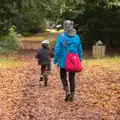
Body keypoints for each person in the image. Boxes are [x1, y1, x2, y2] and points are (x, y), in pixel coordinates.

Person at [54, 20, 82, 101]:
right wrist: (79, 59)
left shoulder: (61, 37)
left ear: (64, 27)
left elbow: (57, 49)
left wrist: (56, 60)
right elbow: (79, 50)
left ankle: (67, 92)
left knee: (63, 76)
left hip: (63, 62)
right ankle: (72, 95)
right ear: (72, 26)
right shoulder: (77, 37)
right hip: (73, 61)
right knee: (72, 77)